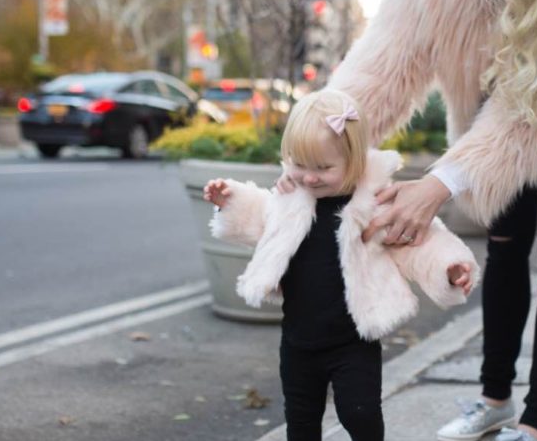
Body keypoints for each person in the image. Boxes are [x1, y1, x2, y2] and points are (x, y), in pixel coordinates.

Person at [277, 0, 537, 440]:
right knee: (504, 247)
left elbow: (536, 114)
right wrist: (304, 159)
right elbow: (378, 73)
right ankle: (495, 401)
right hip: (494, 109)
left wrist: (438, 184)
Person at [204, 89, 479, 441]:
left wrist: (450, 266)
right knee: (301, 423)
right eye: (300, 164)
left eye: (323, 168)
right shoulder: (290, 199)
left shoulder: (374, 205)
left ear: (354, 161)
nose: (310, 177)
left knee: (360, 417)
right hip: (298, 341)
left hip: (353, 342)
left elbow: (419, 241)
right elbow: (260, 216)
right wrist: (230, 200)